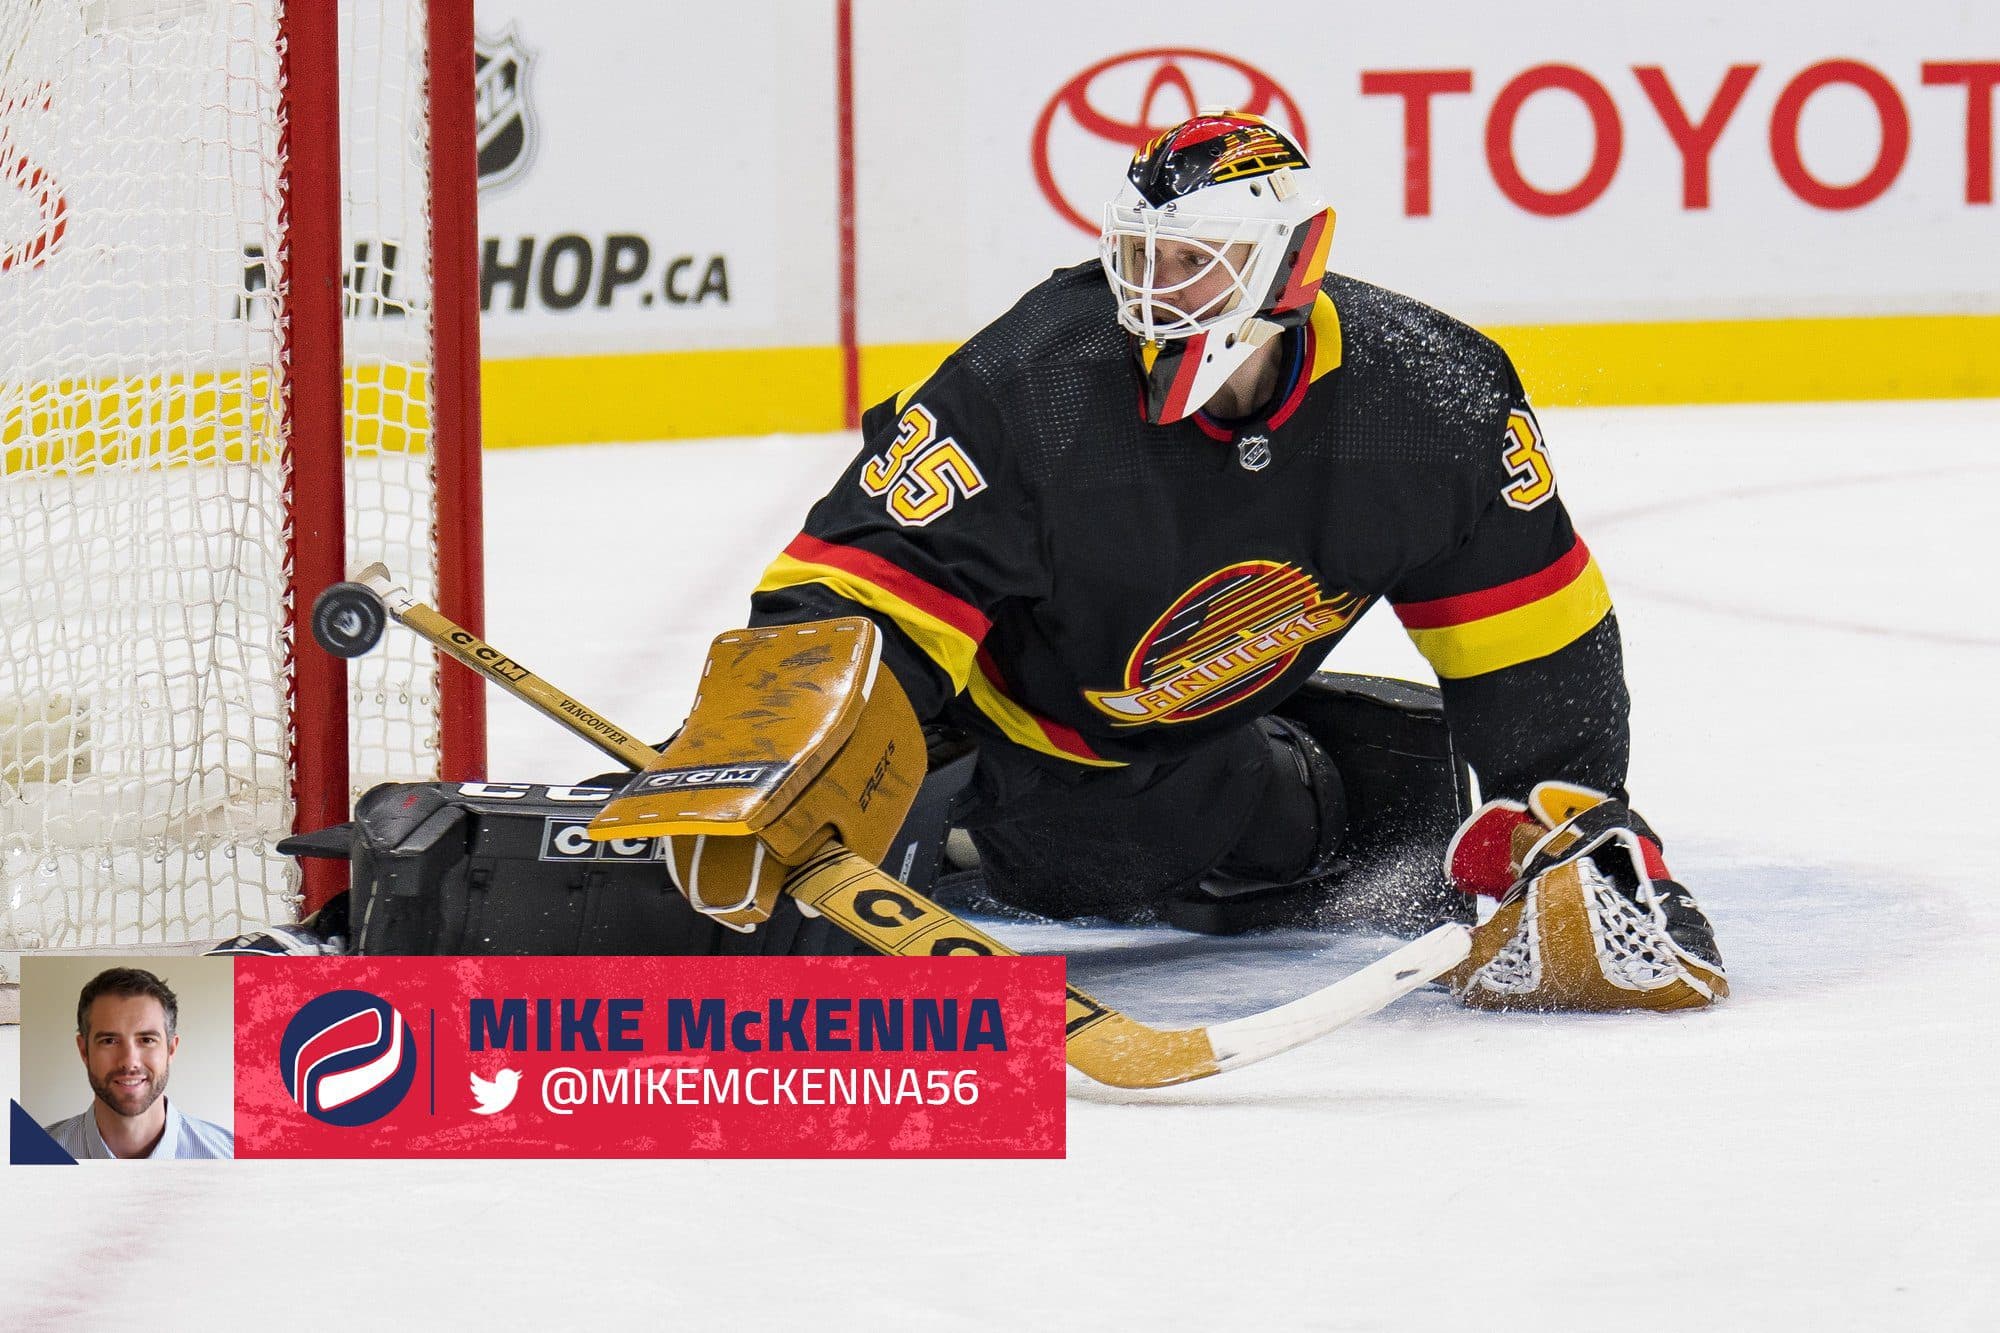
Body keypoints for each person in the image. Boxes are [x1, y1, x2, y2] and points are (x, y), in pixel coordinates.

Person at [635, 111, 1727, 1010]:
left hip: (1200, 747)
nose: (1153, 289)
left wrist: (1565, 823)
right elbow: (856, 599)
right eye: (1139, 255)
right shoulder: (1034, 383)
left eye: (1194, 264)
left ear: (1291, 263)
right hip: (991, 736)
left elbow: (1527, 639)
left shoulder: (1429, 400)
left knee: (1412, 806)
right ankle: (948, 837)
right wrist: (775, 756)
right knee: (733, 878)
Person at [43, 966, 234, 1159]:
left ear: (171, 1049)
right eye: (109, 1041)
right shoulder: (30, 1154)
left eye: (147, 1040)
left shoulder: (235, 1156)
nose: (129, 1061)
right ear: (84, 1050)